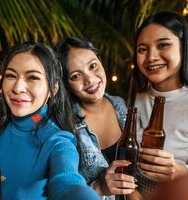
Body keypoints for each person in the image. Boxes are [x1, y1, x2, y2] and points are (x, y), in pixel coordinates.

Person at [0, 42, 99, 200]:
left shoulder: (57, 141)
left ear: (53, 89)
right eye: (11, 76)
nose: (18, 88)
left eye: (33, 77)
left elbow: (68, 182)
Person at [56, 36, 137, 199]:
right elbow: (60, 192)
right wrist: (99, 187)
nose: (90, 79)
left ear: (100, 61)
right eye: (76, 76)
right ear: (66, 84)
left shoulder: (120, 105)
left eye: (93, 66)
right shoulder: (63, 124)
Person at [133, 11, 188, 198]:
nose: (151, 57)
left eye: (163, 45)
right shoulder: (129, 101)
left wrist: (180, 171)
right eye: (142, 49)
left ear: (183, 48)